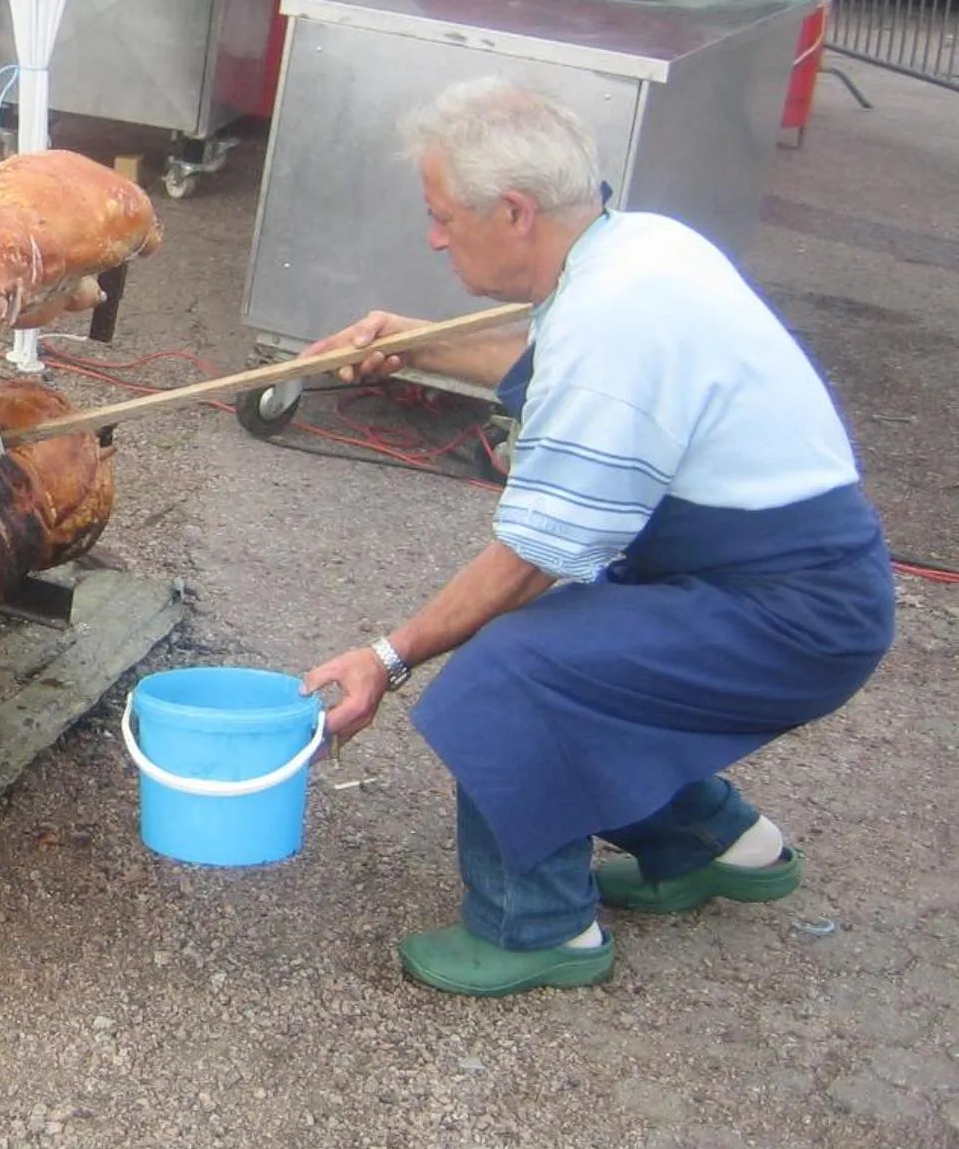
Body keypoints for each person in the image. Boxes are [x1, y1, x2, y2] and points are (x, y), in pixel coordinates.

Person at [301, 77, 894, 998]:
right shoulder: (638, 247)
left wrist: (388, 655)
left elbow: (534, 556)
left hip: (792, 612)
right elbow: (554, 361)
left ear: (514, 211)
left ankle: (537, 929)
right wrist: (411, 343)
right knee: (595, 656)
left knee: (517, 670)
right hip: (783, 583)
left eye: (441, 216)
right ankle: (715, 845)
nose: (433, 237)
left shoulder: (615, 317)